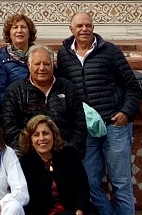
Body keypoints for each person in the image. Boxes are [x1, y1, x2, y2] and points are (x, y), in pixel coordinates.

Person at [56, 14, 137, 215]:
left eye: (88, 25)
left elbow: (132, 86)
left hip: (114, 125)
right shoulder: (64, 54)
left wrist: (126, 112)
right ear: (71, 29)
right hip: (87, 129)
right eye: (80, 26)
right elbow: (64, 87)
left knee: (121, 183)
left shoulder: (109, 51)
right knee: (89, 182)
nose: (84, 29)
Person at [0, 48, 86, 160]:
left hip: (64, 154)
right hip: (28, 155)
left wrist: (66, 151)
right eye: (37, 64)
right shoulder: (15, 91)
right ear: (29, 66)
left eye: (46, 64)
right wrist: (35, 150)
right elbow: (9, 128)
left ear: (53, 65)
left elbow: (79, 126)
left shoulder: (69, 89)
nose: (42, 68)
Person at [17, 116, 90, 215]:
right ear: (30, 140)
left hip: (75, 211)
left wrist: (79, 211)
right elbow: (29, 203)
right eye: (36, 135)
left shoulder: (69, 155)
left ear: (54, 135)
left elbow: (82, 187)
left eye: (46, 133)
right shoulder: (25, 164)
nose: (42, 138)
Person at [0, 15, 37, 104]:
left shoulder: (40, 54)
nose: (19, 31)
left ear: (29, 32)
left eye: (23, 27)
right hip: (14, 107)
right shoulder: (2, 57)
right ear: (9, 34)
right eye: (15, 27)